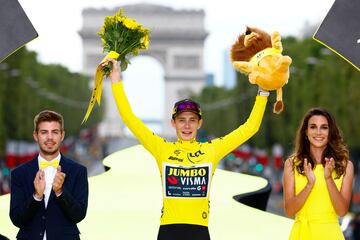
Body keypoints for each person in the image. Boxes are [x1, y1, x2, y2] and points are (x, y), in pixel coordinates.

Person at [105, 58, 269, 240]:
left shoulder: (213, 149)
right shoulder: (161, 148)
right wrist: (115, 80)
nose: (187, 126)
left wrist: (263, 92)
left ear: (200, 123)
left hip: (199, 231)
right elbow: (129, 119)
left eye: (192, 120)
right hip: (168, 231)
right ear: (173, 123)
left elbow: (250, 128)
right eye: (181, 120)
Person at [9, 110, 89, 240]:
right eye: (44, 132)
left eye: (55, 132)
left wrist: (60, 192)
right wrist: (36, 196)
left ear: (62, 135)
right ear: (36, 135)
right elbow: (17, 219)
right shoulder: (19, 173)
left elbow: (79, 215)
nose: (50, 137)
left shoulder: (78, 171)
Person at [283, 107, 354, 240]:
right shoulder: (291, 164)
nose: (318, 132)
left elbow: (342, 211)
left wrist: (328, 179)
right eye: (313, 127)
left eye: (324, 127)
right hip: (301, 235)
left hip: (330, 235)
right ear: (306, 131)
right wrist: (309, 185)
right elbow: (289, 210)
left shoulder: (346, 166)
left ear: (330, 131)